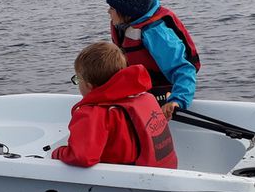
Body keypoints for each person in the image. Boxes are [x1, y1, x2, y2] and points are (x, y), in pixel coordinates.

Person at [52, 41, 178, 169]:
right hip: (166, 170)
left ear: (89, 85)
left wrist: (58, 153)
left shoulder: (93, 113)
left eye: (78, 79)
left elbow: (82, 157)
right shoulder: (146, 97)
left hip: (132, 181)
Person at [106, 0, 200, 120]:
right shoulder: (127, 25)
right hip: (142, 96)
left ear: (128, 11)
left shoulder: (156, 33)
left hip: (162, 98)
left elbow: (184, 69)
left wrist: (177, 100)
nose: (108, 12)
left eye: (112, 8)